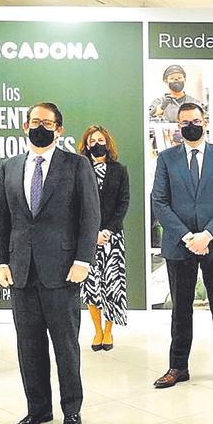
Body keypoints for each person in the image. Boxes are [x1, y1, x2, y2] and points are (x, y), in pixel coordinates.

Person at [0, 102, 100, 424]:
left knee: (65, 345)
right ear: (25, 126)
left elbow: (90, 216)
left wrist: (83, 260)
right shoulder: (10, 167)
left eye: (48, 122)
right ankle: (37, 409)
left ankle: (71, 409)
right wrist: (0, 261)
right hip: (22, 270)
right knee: (29, 345)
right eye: (35, 121)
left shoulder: (76, 165)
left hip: (63, 269)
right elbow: (3, 219)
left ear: (59, 129)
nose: (41, 127)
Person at [151, 103, 213, 390]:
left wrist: (207, 235)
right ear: (178, 126)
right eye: (184, 122)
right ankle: (177, 367)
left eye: (195, 120)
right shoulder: (166, 159)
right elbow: (160, 203)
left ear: (204, 122)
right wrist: (187, 237)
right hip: (179, 246)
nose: (190, 125)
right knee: (181, 309)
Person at [78, 125, 130, 352]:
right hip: (86, 238)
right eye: (92, 141)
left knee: (112, 286)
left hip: (113, 238)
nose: (96, 144)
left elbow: (123, 203)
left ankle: (109, 332)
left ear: (107, 143)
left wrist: (108, 230)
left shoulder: (119, 170)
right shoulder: (79, 169)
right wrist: (91, 232)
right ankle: (97, 330)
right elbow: (75, 205)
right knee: (91, 287)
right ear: (86, 145)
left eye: (100, 139)